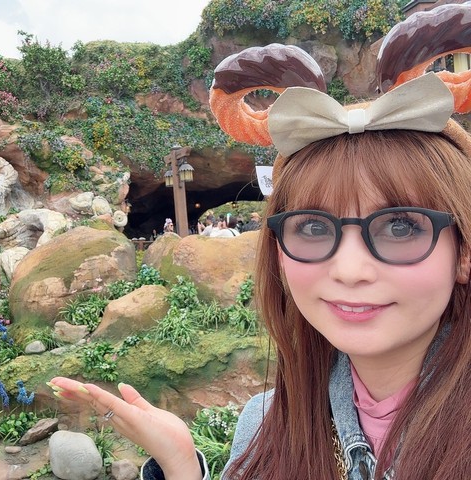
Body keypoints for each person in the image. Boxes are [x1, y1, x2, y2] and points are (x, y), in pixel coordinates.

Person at [47, 5, 471, 479]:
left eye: (400, 227)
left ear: (463, 251)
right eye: (314, 228)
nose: (350, 270)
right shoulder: (263, 426)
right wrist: (181, 466)